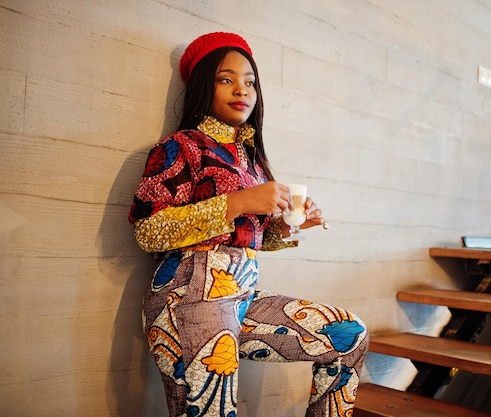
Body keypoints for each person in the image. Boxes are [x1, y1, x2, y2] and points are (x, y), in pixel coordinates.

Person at [128, 32, 369, 417]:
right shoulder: (181, 146)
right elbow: (148, 230)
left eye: (250, 81)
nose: (242, 89)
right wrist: (238, 201)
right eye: (226, 79)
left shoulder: (251, 161)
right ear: (204, 85)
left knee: (349, 336)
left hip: (241, 295)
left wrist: (290, 227)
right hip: (188, 294)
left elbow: (245, 236)